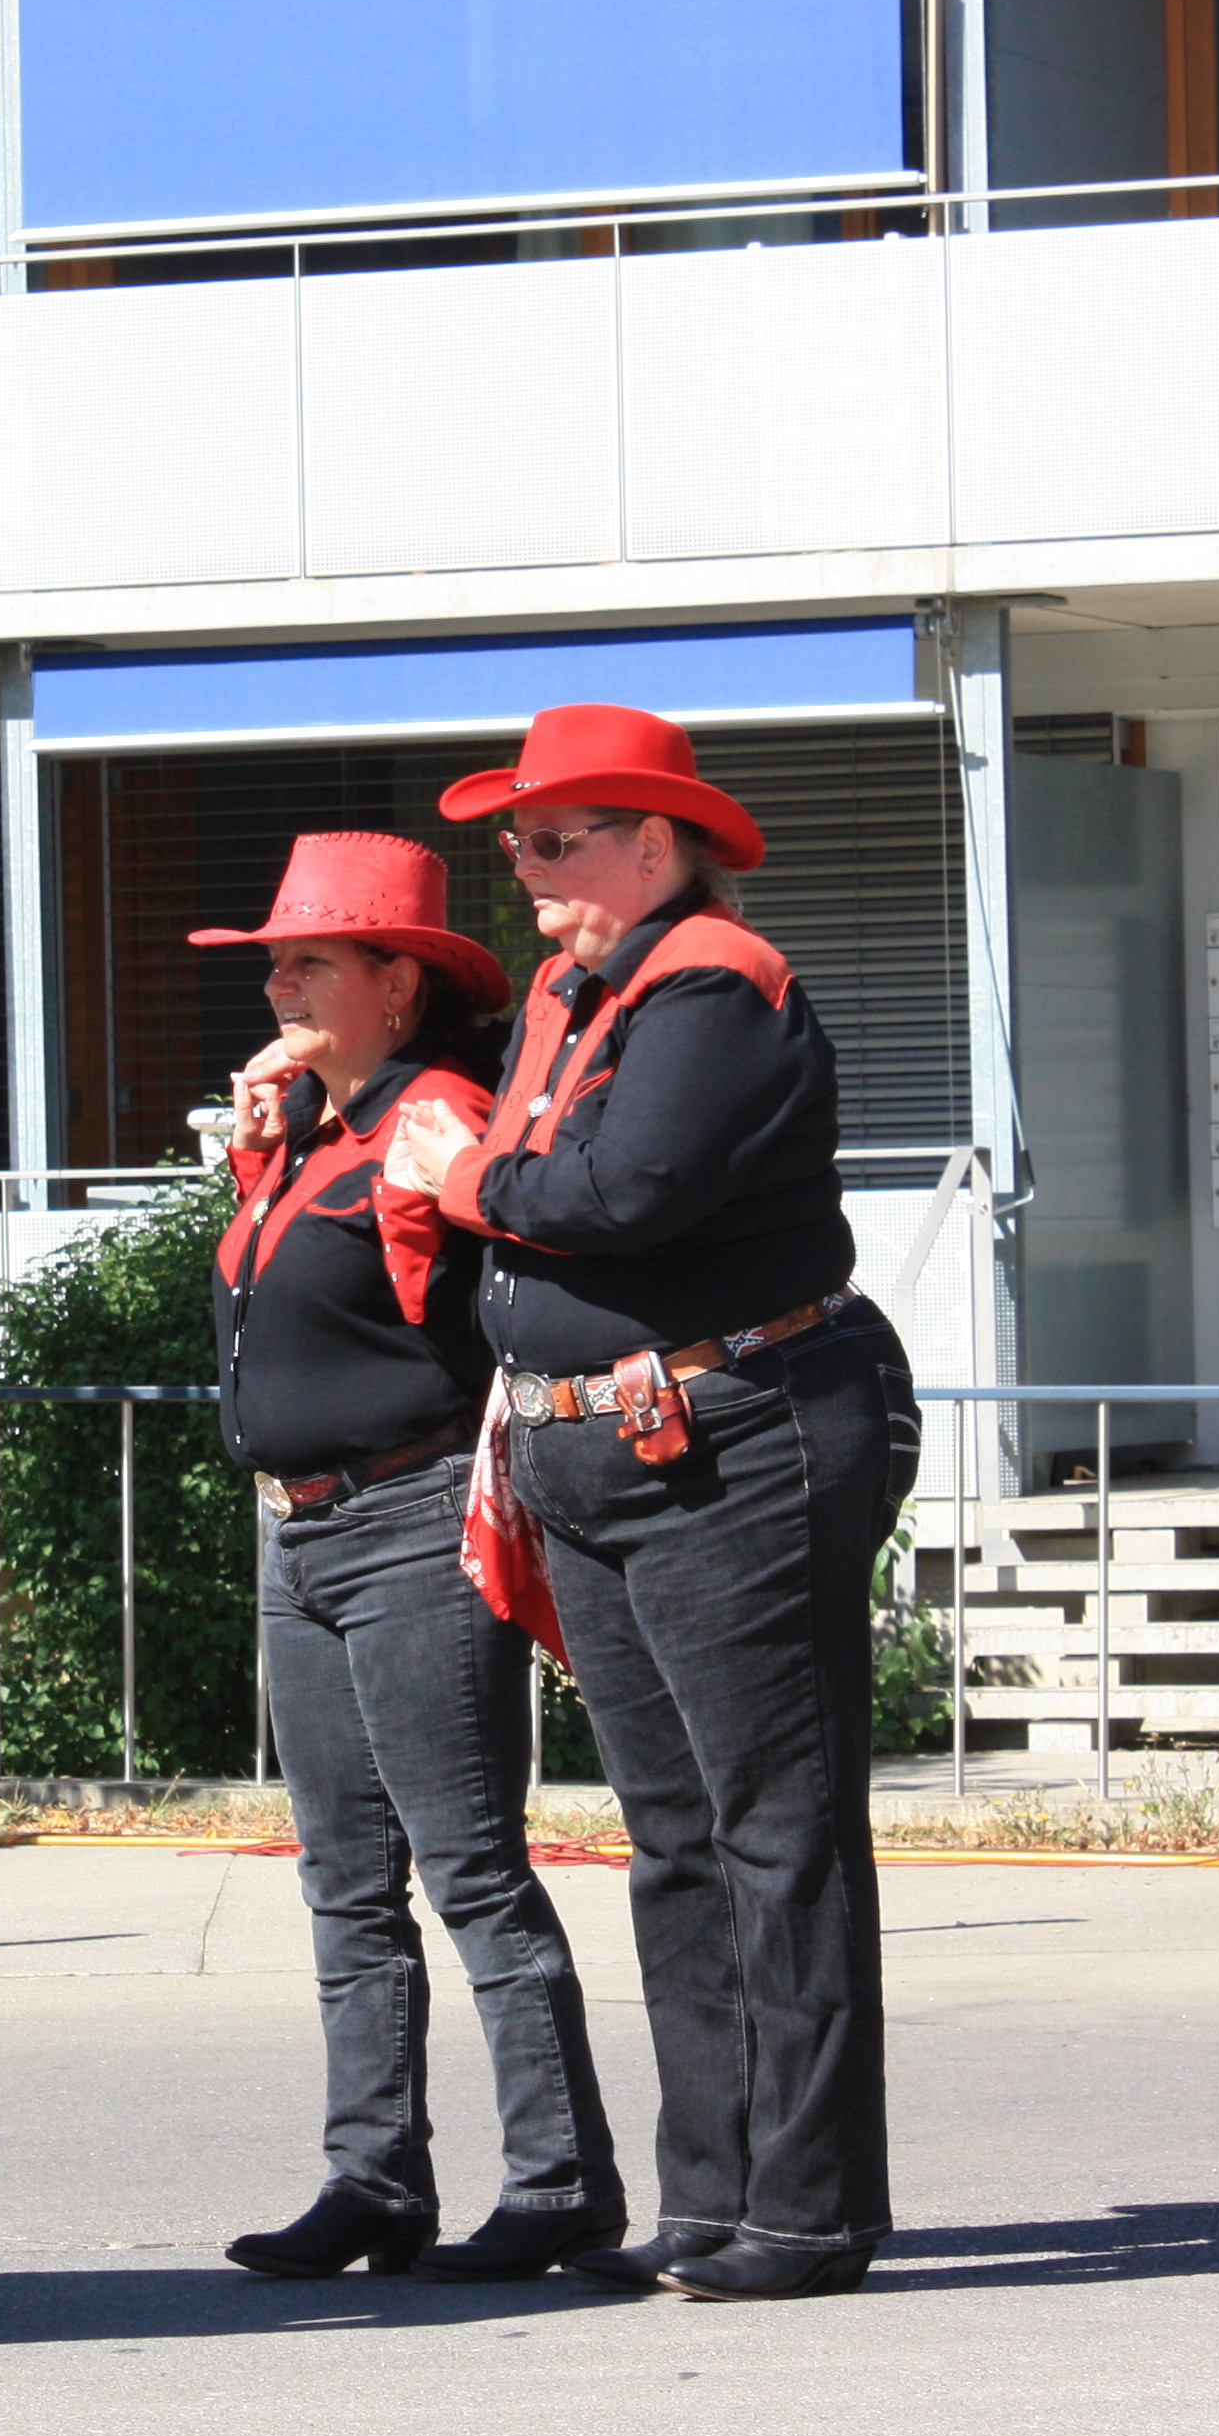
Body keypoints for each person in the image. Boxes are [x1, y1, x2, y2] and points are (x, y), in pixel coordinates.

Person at [390, 705, 918, 2303]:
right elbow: (515, 1172)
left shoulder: (715, 982)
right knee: (677, 1839)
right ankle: (710, 2195)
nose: (527, 865)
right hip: (608, 1443)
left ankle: (809, 2209)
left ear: (657, 842)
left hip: (727, 1430)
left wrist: (458, 1177)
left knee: (776, 1829)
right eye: (518, 842)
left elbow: (618, 1193)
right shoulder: (575, 990)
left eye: (558, 837)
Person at [197, 834, 627, 2283]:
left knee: (471, 1870)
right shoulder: (307, 1131)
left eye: (310, 960)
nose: (279, 982)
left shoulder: (437, 1117)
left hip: (408, 1520)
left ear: (397, 984)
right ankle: (373, 2179)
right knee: (344, 1881)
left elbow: (511, 1279)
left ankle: (560, 2185)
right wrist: (259, 1157)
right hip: (304, 1531)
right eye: (274, 962)